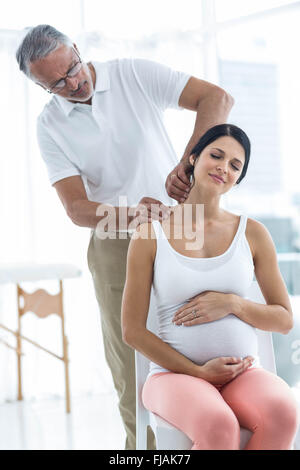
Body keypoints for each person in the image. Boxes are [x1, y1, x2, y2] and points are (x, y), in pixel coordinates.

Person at [15, 25, 234, 450]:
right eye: (56, 84)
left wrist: (188, 166)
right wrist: (134, 214)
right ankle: (143, 453)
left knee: (200, 345)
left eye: (73, 69)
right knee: (131, 365)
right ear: (41, 86)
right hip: (115, 242)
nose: (73, 84)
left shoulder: (132, 73)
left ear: (77, 50)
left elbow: (217, 99)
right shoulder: (50, 126)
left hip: (180, 232)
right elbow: (77, 209)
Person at [121, 123, 300, 450]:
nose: (224, 167)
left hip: (243, 375)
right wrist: (199, 372)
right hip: (172, 377)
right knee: (218, 425)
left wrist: (233, 303)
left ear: (239, 178)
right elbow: (132, 331)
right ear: (193, 158)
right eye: (216, 155)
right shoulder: (150, 234)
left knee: (284, 412)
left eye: (235, 165)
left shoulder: (253, 233)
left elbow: (284, 319)